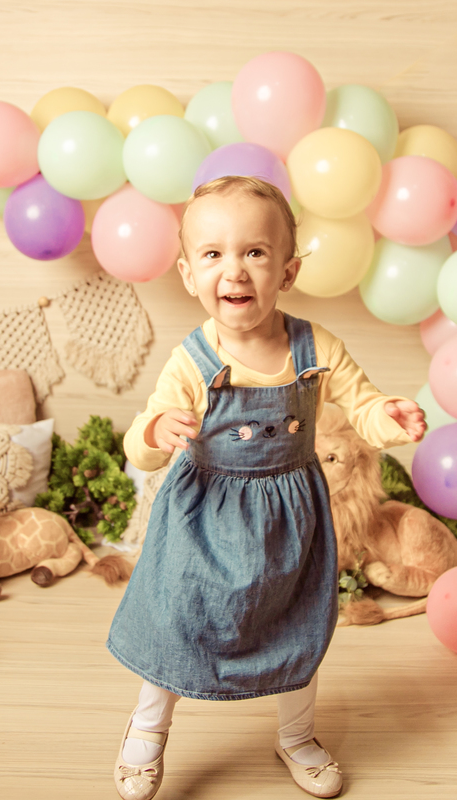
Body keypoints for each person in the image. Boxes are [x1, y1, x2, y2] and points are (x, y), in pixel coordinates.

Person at [107, 175, 426, 800]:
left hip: (290, 521)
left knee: (296, 627)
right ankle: (148, 729)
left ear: (287, 271)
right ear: (188, 274)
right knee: (179, 621)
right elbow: (137, 447)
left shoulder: (316, 345)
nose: (236, 269)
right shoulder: (191, 360)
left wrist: (388, 417)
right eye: (214, 254)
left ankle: (298, 734)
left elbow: (360, 406)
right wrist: (156, 429)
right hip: (204, 518)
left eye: (255, 252)